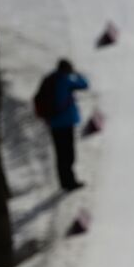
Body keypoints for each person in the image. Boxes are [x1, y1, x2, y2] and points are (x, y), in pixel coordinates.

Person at [43, 59, 88, 191]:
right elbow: (84, 85)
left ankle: (64, 182)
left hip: (53, 123)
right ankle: (71, 182)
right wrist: (77, 74)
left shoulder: (49, 80)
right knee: (68, 154)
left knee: (60, 154)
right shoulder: (66, 81)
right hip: (66, 122)